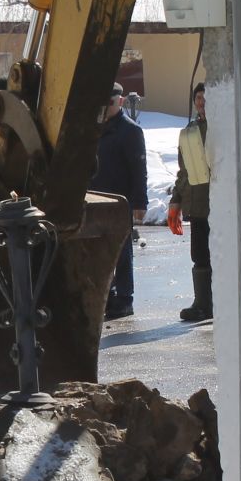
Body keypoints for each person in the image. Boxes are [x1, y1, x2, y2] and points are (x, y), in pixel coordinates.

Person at [89, 82, 147, 320]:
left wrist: (140, 203)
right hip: (95, 200)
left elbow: (138, 168)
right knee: (99, 252)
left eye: (111, 103)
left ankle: (125, 299)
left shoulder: (129, 131)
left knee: (121, 253)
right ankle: (108, 296)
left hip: (120, 201)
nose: (106, 108)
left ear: (120, 102)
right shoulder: (94, 130)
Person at [168, 81, 211, 322]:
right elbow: (184, 171)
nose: (201, 103)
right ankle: (203, 302)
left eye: (205, 98)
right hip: (196, 205)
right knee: (199, 254)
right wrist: (176, 200)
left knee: (217, 255)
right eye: (198, 99)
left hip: (216, 205)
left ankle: (214, 301)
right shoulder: (190, 132)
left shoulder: (220, 130)